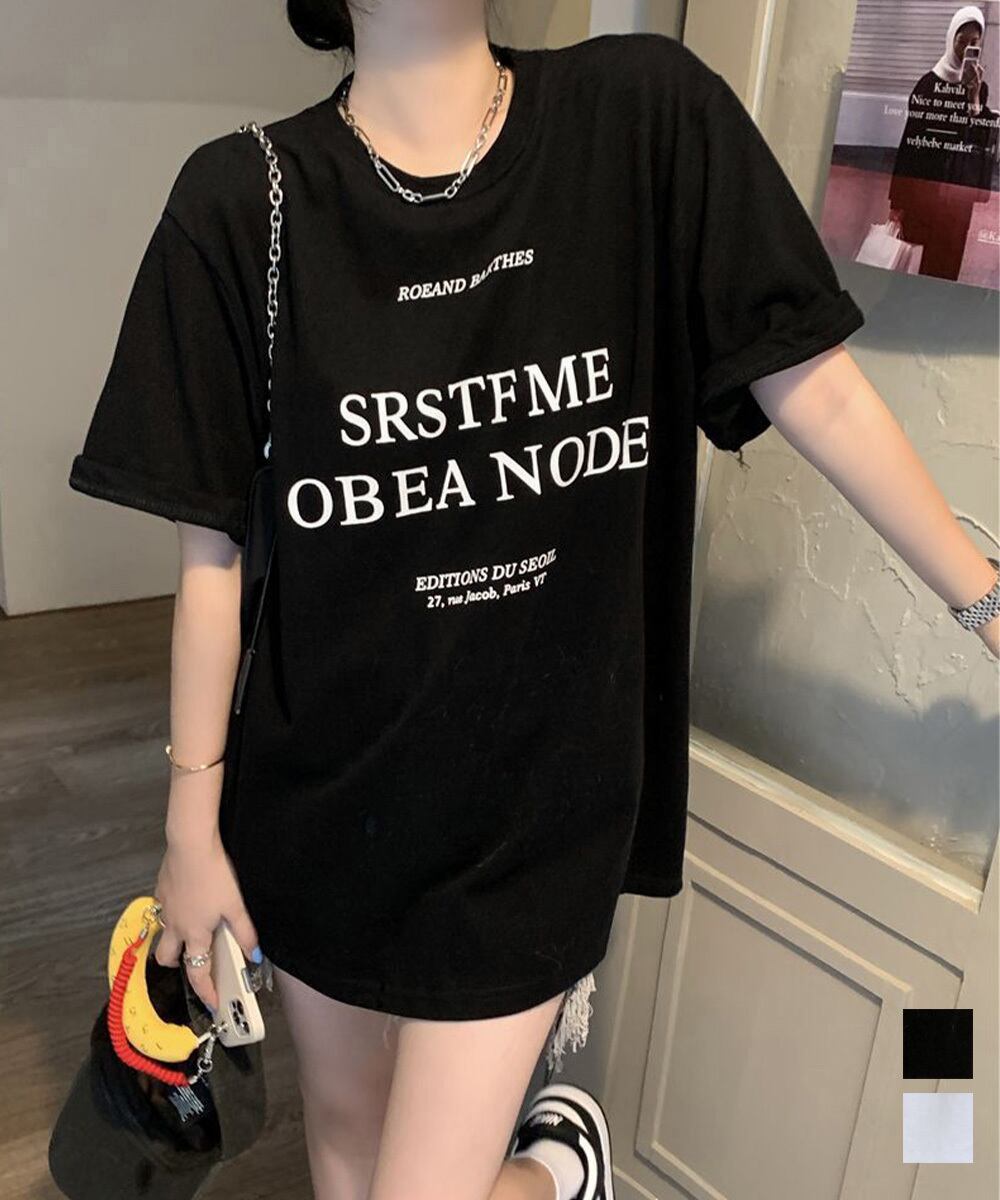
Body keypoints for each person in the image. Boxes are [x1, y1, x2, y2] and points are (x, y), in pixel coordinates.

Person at [66, 2, 1000, 1198]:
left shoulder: (641, 121)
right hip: (319, 797)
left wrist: (984, 603)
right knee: (346, 1149)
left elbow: (810, 383)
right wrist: (191, 831)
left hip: (534, 800)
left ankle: (555, 1169)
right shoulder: (240, 200)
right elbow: (211, 547)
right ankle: (563, 1168)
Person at [889, 4, 999, 279]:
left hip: (957, 196)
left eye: (974, 43)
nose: (967, 49)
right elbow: (910, 144)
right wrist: (897, 202)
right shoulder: (927, 85)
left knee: (948, 265)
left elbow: (979, 142)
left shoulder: (979, 88)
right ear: (951, 39)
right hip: (925, 192)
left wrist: (974, 99)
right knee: (915, 265)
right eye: (962, 41)